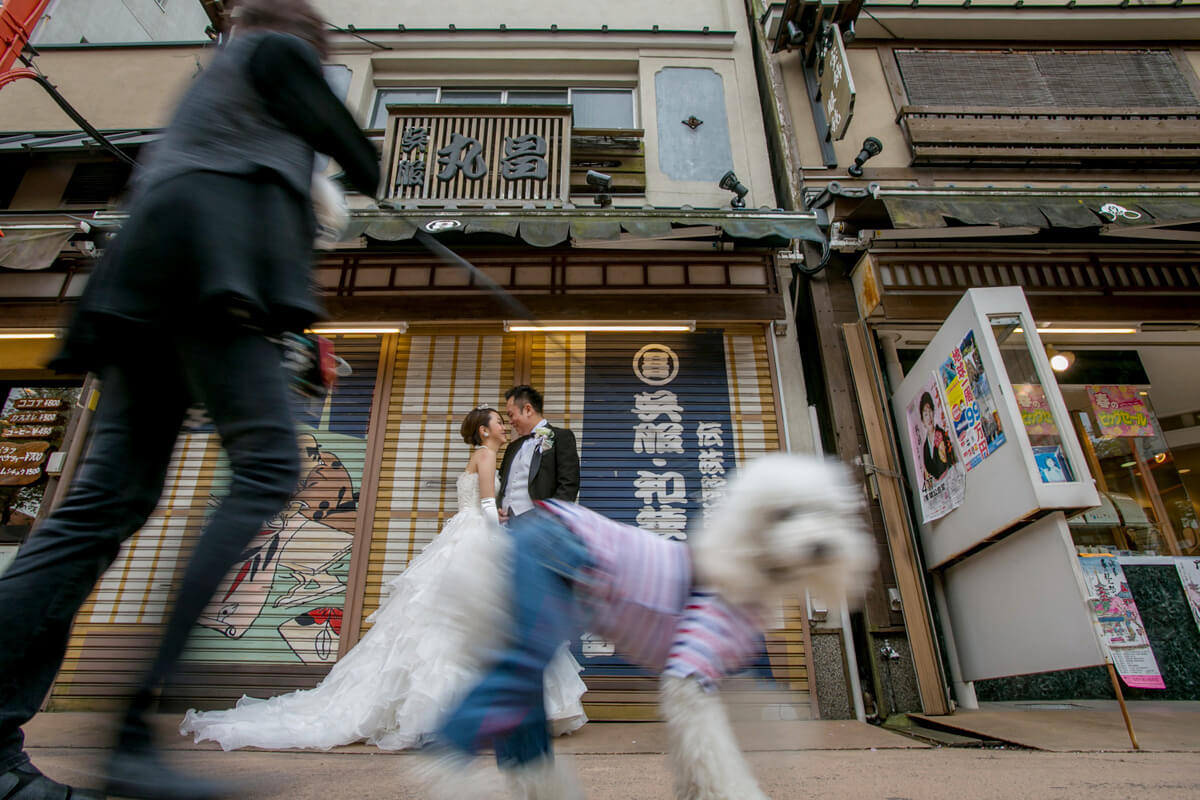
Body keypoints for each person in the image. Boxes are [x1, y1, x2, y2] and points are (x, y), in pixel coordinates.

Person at [0, 1, 380, 798]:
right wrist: (360, 157)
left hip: (148, 279)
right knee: (270, 466)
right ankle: (132, 733)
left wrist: (300, 338)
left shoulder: (217, 101)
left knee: (106, 502)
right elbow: (341, 145)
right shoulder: (271, 55)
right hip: (201, 267)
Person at [178, 407, 588, 752]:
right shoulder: (484, 455)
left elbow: (483, 505)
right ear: (484, 431)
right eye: (499, 421)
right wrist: (499, 526)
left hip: (469, 533)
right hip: (476, 536)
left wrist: (495, 516)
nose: (504, 426)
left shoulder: (485, 457)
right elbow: (483, 505)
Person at [498, 385, 580, 522]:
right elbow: (502, 484)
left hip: (540, 527)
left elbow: (568, 484)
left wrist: (548, 520)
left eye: (511, 415)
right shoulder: (512, 447)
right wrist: (497, 509)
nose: (510, 422)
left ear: (528, 409)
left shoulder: (561, 437)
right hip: (505, 527)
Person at [919, 391, 955, 483]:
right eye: (925, 414)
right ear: (922, 420)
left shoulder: (941, 434)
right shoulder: (925, 447)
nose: (929, 417)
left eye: (930, 411)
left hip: (951, 479)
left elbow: (951, 458)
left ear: (934, 412)